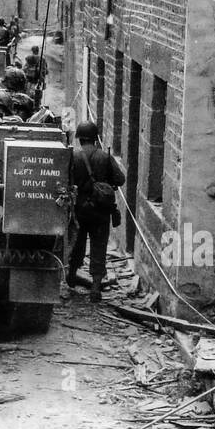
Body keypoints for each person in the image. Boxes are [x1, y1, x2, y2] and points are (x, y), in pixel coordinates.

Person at [68, 121, 125, 303]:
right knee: (99, 245)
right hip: (100, 211)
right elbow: (120, 179)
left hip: (79, 209)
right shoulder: (104, 157)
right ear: (95, 138)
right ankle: (95, 288)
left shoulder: (73, 156)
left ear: (80, 138)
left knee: (77, 242)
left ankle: (71, 275)